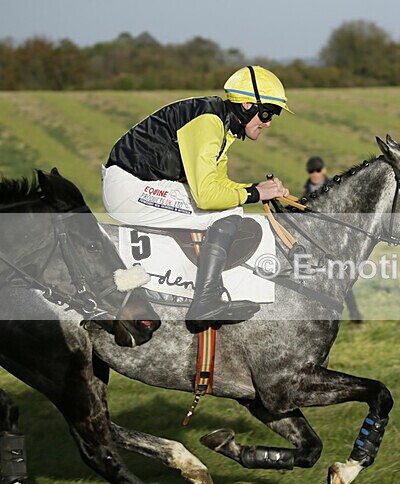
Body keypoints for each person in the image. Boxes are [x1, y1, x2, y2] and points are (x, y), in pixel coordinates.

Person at [102, 66, 292, 333]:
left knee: (231, 207)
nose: (269, 122)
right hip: (130, 189)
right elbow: (207, 196)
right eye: (266, 113)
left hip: (138, 183)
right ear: (247, 105)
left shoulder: (222, 124)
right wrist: (256, 193)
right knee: (226, 212)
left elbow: (219, 184)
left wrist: (257, 188)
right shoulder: (209, 121)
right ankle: (205, 301)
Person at [303, 156, 363, 323]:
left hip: (336, 238)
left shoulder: (337, 188)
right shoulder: (307, 191)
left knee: (340, 275)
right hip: (315, 239)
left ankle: (354, 313)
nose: (314, 174)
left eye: (317, 170)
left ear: (324, 170)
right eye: (311, 171)